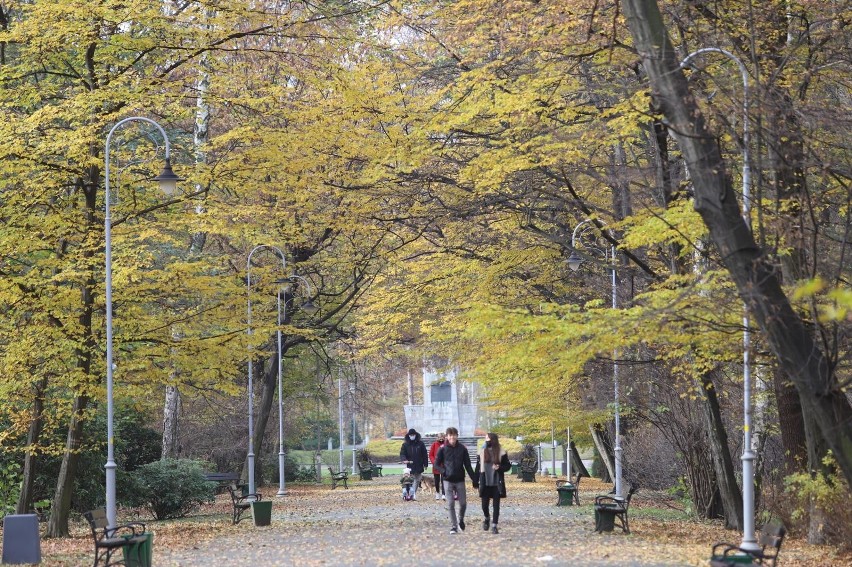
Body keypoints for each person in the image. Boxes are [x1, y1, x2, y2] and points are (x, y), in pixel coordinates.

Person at [434, 426, 477, 534]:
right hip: (447, 480)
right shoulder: (442, 449)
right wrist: (443, 471)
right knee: (450, 503)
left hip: (459, 479)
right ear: (447, 437)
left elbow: (468, 465)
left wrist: (474, 479)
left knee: (463, 503)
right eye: (450, 435)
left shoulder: (462, 448)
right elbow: (436, 464)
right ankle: (454, 526)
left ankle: (461, 519)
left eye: (454, 435)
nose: (452, 437)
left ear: (457, 436)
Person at [474, 432, 512, 534]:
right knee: (484, 506)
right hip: (485, 481)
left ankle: (494, 525)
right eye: (485, 438)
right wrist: (475, 480)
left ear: (492, 439)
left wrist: (499, 467)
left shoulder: (501, 451)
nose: (486, 440)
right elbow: (478, 467)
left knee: (496, 505)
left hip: (497, 482)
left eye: (487, 438)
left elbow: (508, 466)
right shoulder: (482, 451)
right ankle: (487, 518)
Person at [399, 428, 429, 501]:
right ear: (408, 436)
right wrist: (404, 459)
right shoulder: (405, 445)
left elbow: (424, 454)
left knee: (417, 479)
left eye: (413, 435)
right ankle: (409, 494)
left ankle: (413, 494)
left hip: (419, 464)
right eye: (411, 435)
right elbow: (402, 453)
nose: (412, 436)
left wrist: (425, 464)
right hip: (410, 465)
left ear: (416, 435)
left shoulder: (420, 444)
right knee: (411, 480)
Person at [428, 433, 447, 501]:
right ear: (437, 438)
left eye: (442, 437)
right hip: (436, 465)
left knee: (443, 480)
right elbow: (431, 455)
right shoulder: (434, 444)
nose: (441, 438)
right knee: (436, 481)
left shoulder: (446, 444)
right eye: (440, 437)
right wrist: (434, 462)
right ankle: (437, 492)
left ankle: (444, 494)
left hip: (444, 466)